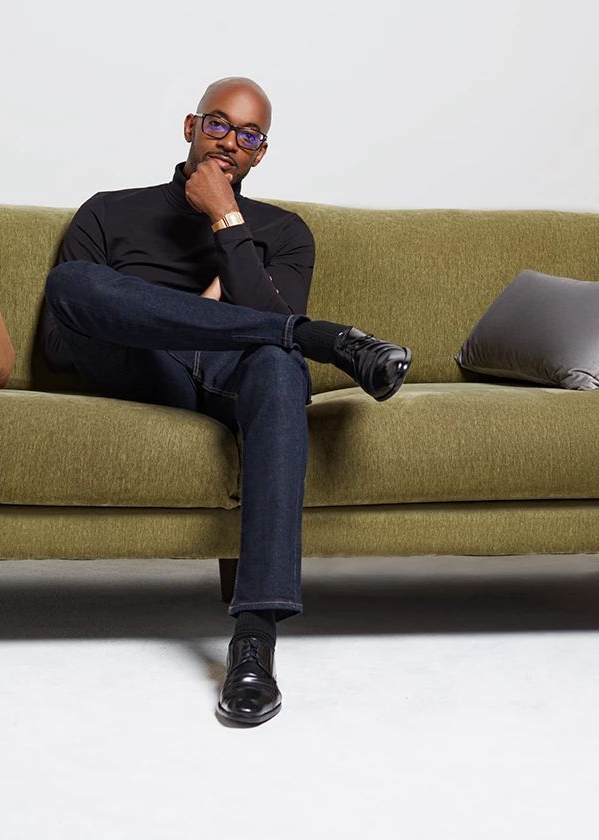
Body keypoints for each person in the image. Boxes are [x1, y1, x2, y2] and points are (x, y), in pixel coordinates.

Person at [37, 76, 412, 726]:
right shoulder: (107, 212)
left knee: (278, 363)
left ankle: (253, 643)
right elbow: (59, 341)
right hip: (138, 368)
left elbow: (269, 334)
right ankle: (327, 339)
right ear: (190, 126)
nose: (230, 142)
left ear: (261, 153)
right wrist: (186, 315)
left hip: (226, 379)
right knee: (72, 282)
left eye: (249, 136)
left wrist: (226, 220)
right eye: (218, 124)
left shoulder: (283, 232)